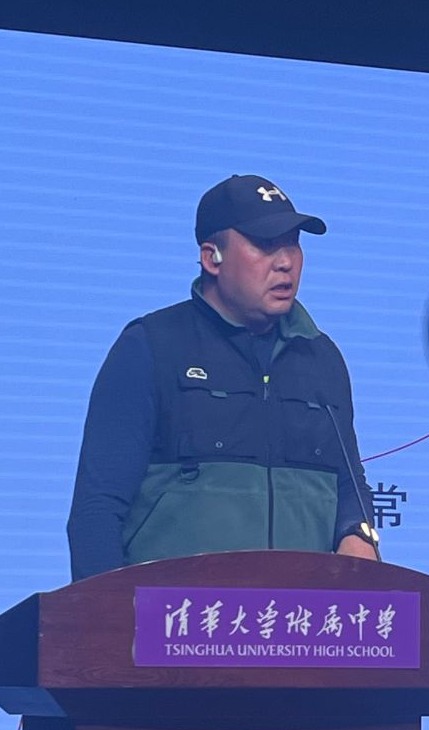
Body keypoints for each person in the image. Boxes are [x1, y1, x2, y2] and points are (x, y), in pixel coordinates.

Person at [66, 174, 379, 581]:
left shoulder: (321, 358)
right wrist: (105, 615)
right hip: (178, 614)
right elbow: (97, 509)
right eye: (265, 245)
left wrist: (357, 532)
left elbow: (350, 484)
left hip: (300, 615)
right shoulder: (151, 346)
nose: (285, 262)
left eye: (292, 244)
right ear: (211, 257)